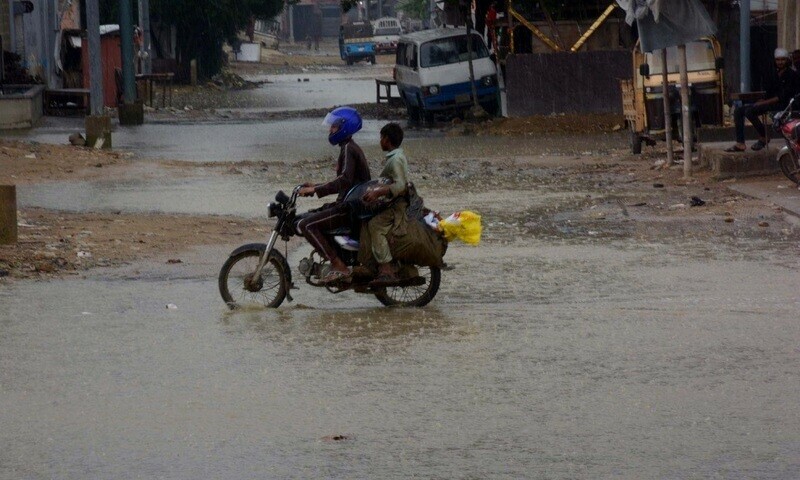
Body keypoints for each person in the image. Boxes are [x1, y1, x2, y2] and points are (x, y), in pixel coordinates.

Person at [297, 107, 371, 283]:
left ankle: (338, 265)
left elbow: (344, 181)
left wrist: (316, 190)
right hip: (351, 205)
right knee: (311, 215)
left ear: (345, 127)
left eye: (334, 127)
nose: (330, 130)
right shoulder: (349, 147)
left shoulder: (348, 149)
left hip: (349, 208)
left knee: (306, 225)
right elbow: (344, 181)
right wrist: (315, 186)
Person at [361, 123, 410, 286]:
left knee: (375, 226)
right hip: (394, 203)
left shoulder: (395, 160)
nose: (379, 141)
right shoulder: (396, 156)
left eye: (381, 138)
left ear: (386, 139)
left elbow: (400, 185)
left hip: (397, 207)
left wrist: (377, 193)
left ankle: (386, 269)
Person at [725, 48, 800, 152]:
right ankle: (740, 143)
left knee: (750, 111)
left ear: (787, 60)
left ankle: (763, 136)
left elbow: (783, 96)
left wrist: (763, 102)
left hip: (783, 104)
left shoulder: (792, 75)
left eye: (783, 59)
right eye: (778, 60)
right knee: (739, 111)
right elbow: (768, 91)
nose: (780, 62)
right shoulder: (773, 73)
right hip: (770, 102)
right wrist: (761, 100)